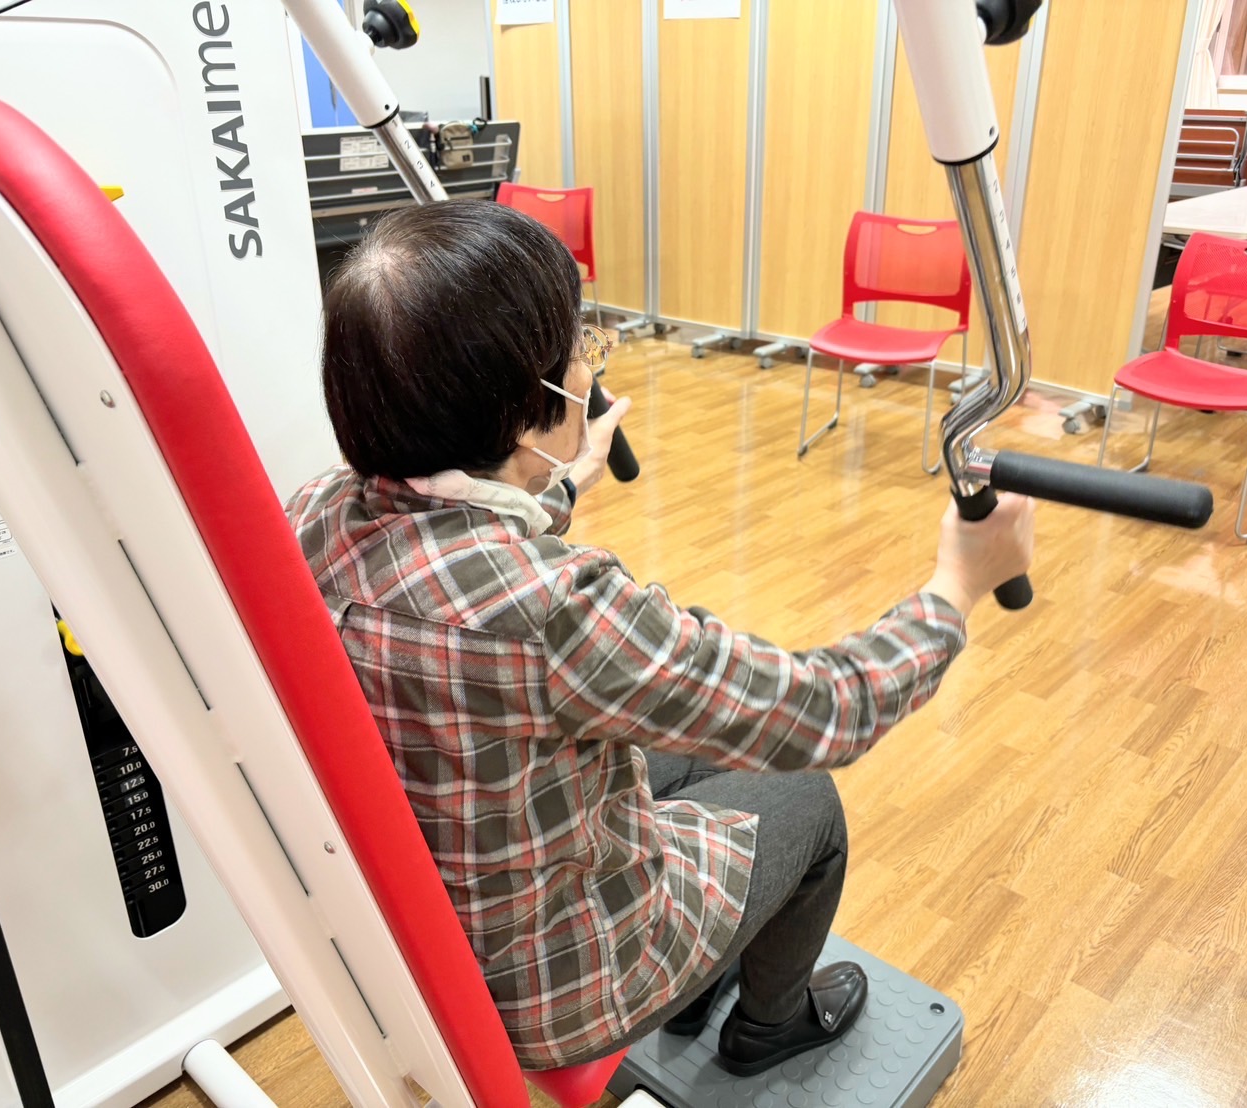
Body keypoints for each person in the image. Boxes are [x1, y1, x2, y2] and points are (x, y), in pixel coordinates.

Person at [286, 199, 1034, 1076]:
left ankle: (714, 966)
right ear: (528, 411)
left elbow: (452, 550)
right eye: (578, 349)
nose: (587, 365)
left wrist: (557, 483)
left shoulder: (313, 515)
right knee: (806, 797)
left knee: (691, 763)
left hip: (418, 927)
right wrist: (957, 585)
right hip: (553, 984)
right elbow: (825, 710)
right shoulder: (556, 610)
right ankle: (771, 1023)